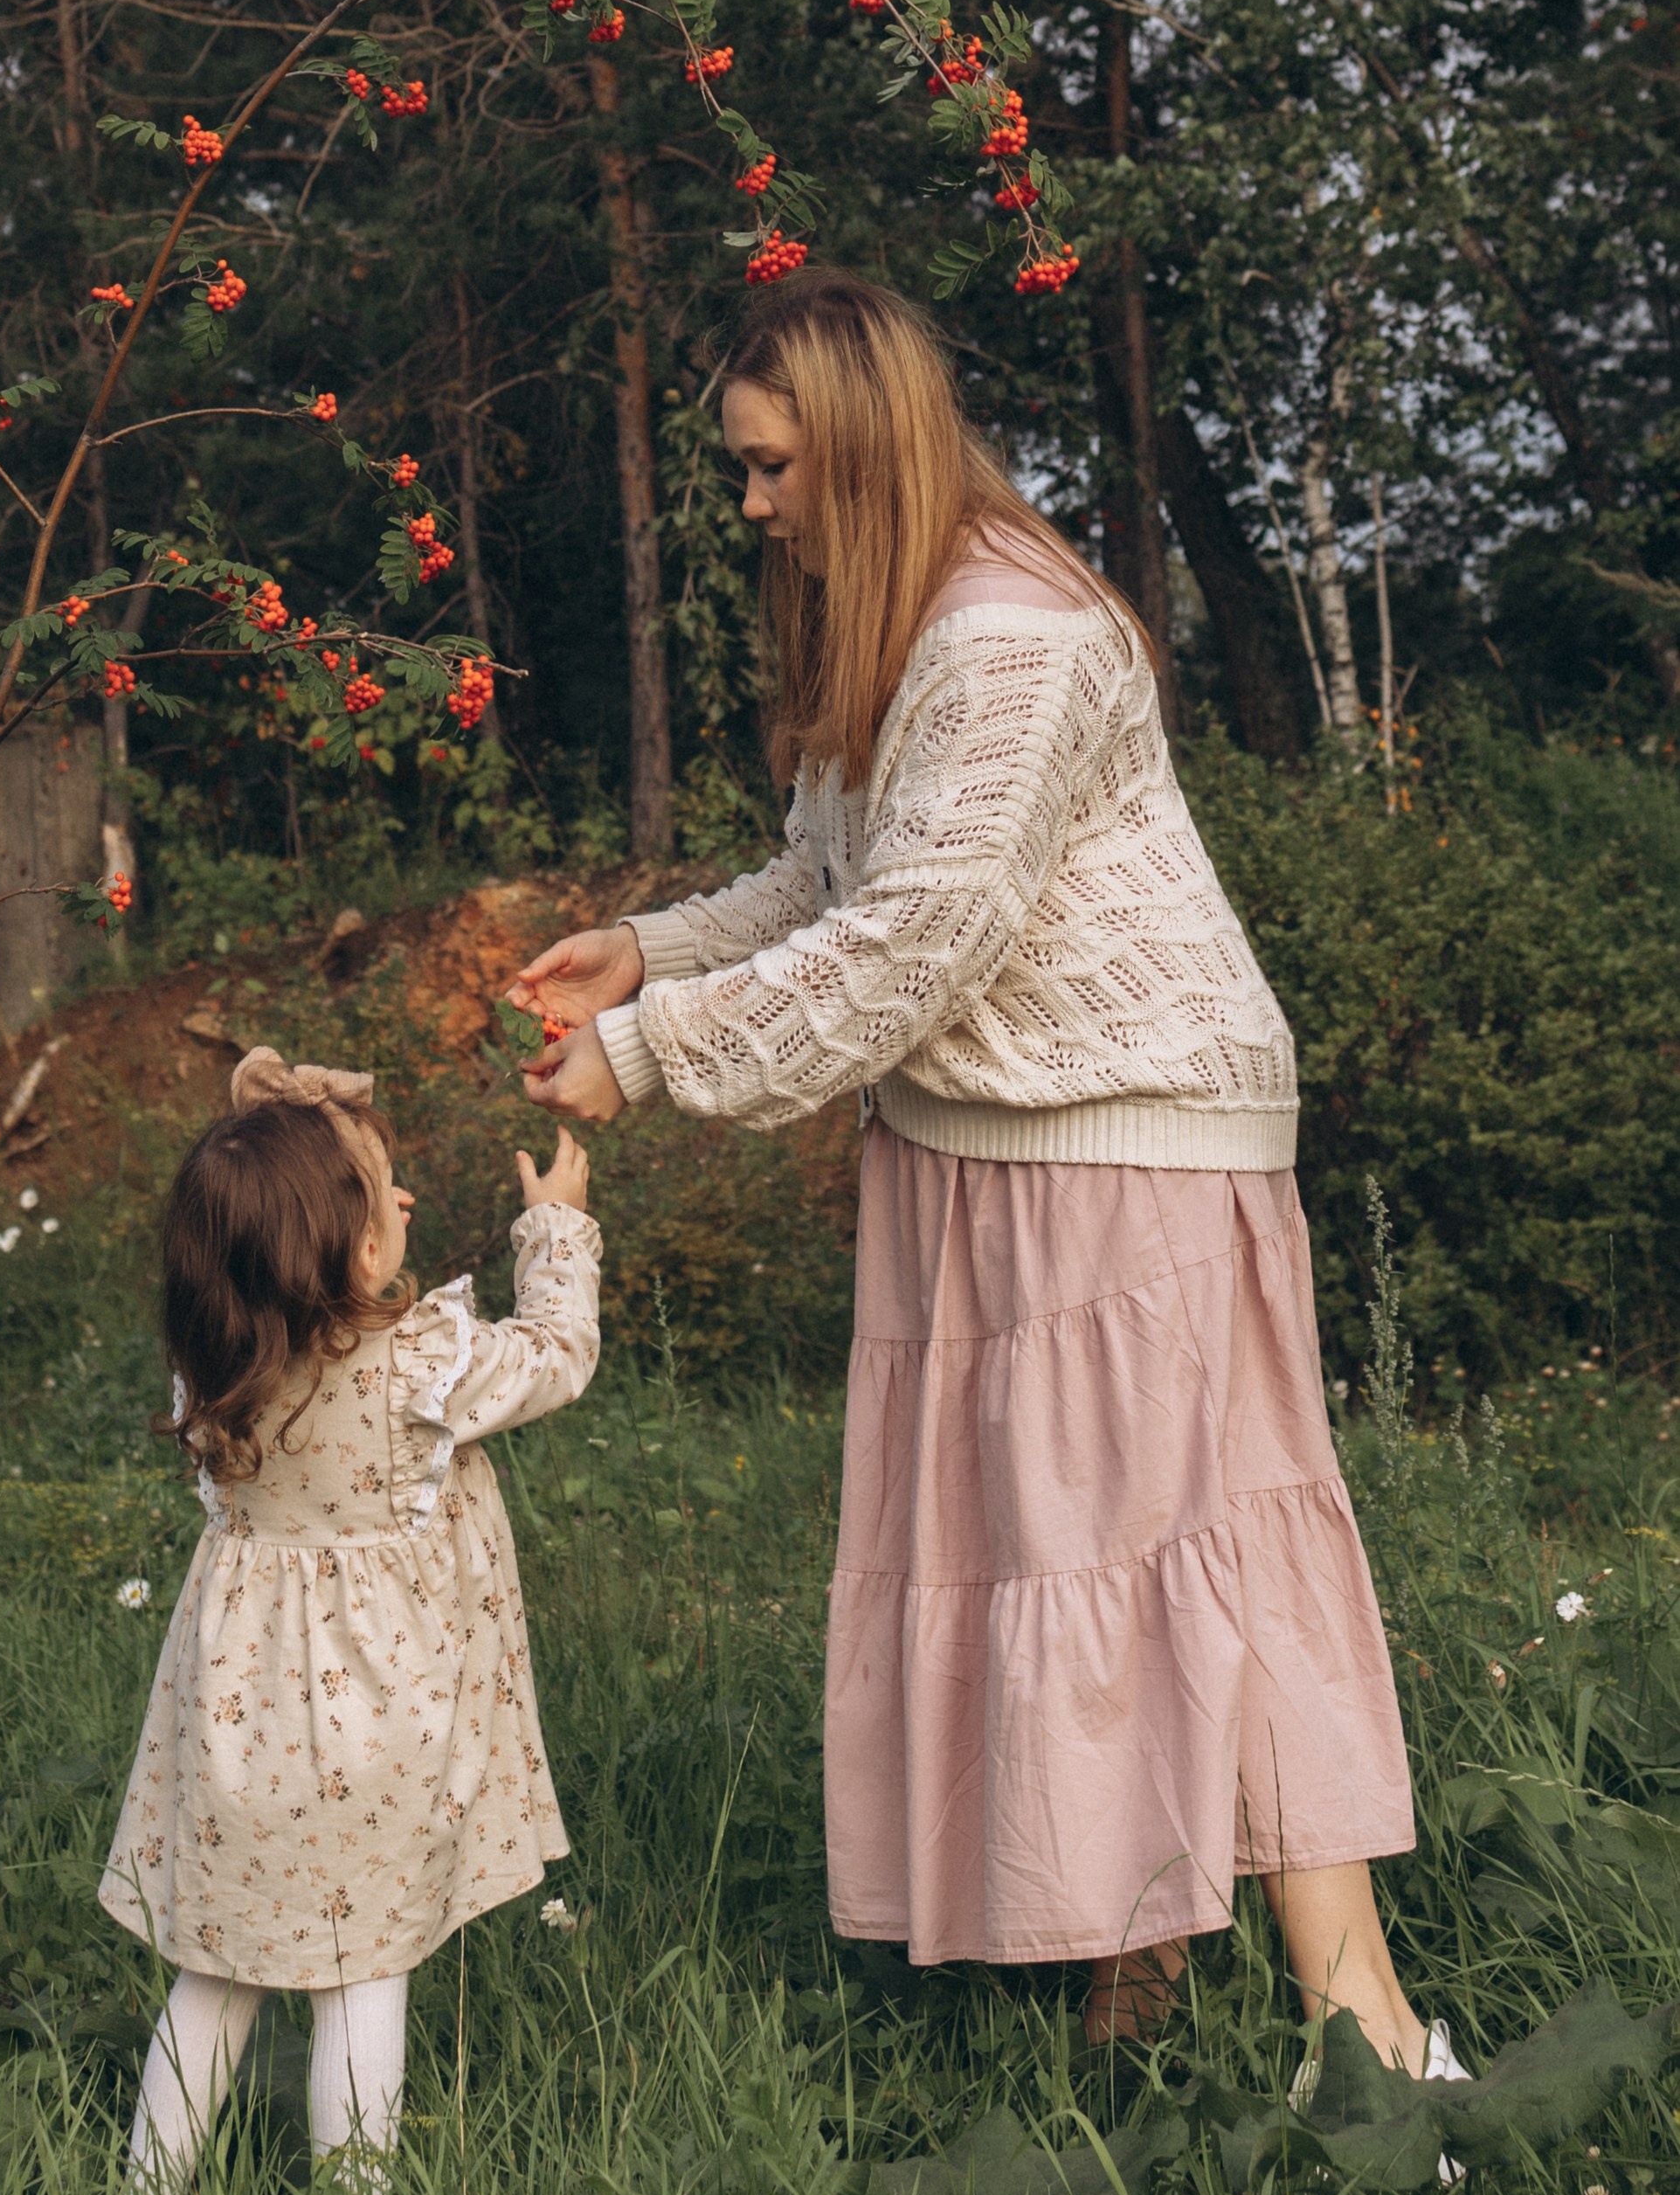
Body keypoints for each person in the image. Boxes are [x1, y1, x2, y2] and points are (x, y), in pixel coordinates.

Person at [511, 268, 1460, 2085]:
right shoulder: (894, 616)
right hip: (987, 1138)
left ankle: (1363, 2020)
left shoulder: (1011, 638)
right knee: (1058, 1550)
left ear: (863, 450)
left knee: (1190, 1553)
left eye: (772, 466)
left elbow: (911, 949)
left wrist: (642, 1059)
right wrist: (646, 951)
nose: (752, 504)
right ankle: (1134, 1946)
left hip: (1119, 1134)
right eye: (740, 468)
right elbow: (826, 884)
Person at [99, 1046, 599, 2195]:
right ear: (359, 1247)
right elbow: (556, 1356)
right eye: (388, 1187)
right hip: (380, 1726)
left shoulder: (213, 1361)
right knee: (364, 1976)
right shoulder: (422, 1365)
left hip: (235, 1723)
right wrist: (556, 1231)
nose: (407, 1196)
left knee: (213, 1975)